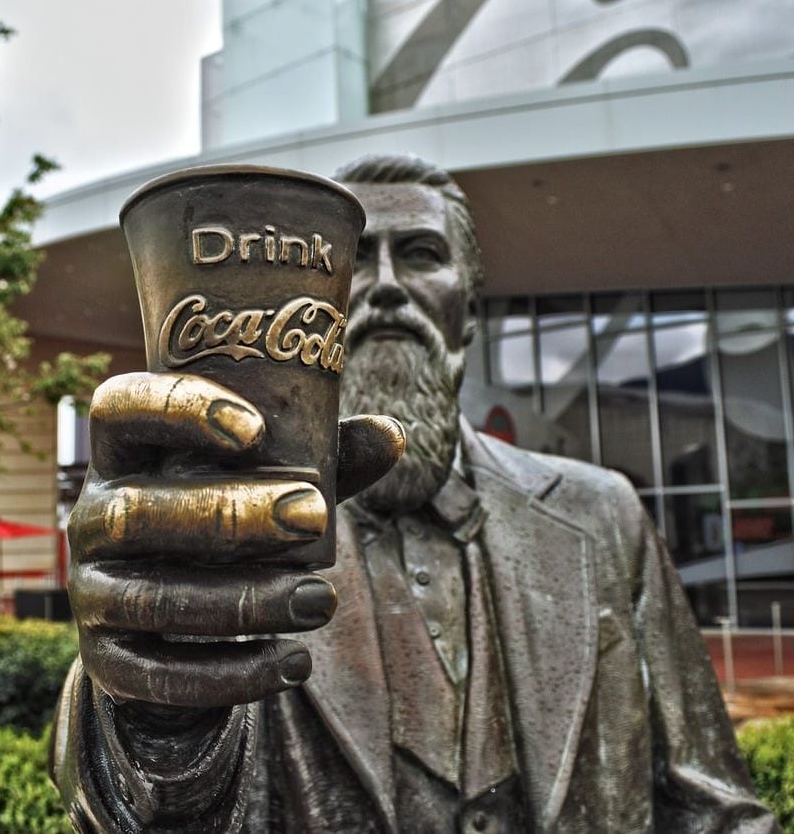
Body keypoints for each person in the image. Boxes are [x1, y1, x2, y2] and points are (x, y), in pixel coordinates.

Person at [51, 155, 778, 833]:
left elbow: (715, 807)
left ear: (470, 306)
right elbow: (155, 810)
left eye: (423, 254)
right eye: (355, 259)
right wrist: (153, 698)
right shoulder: (235, 537)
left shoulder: (603, 513)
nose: (388, 284)